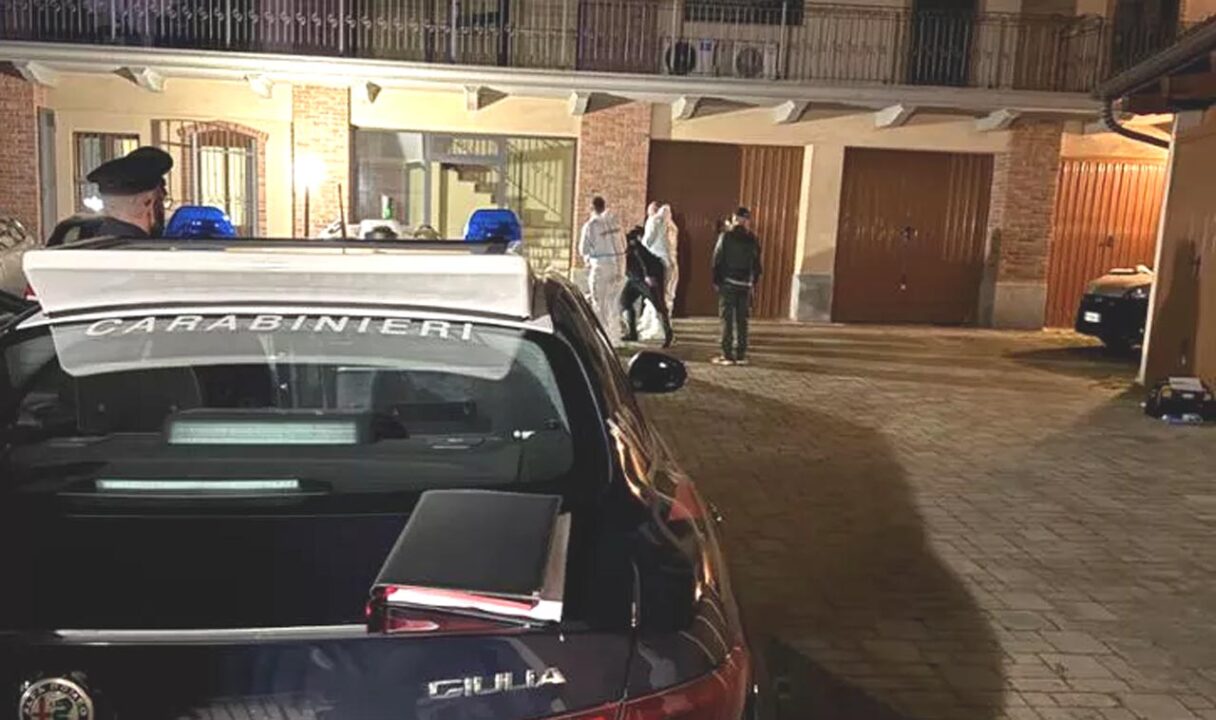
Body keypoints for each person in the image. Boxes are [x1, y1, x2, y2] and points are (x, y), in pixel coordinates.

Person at [47, 146, 173, 245]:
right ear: (148, 202)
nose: (162, 209)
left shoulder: (81, 244)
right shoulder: (150, 254)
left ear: (107, 204)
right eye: (161, 201)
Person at [712, 207, 762, 366]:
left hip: (728, 283)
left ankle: (727, 354)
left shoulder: (726, 237)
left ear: (735, 220)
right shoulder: (753, 239)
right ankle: (741, 355)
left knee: (727, 319)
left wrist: (716, 281)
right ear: (747, 221)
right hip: (745, 285)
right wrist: (753, 283)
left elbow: (717, 260)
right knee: (742, 320)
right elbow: (757, 264)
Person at [579, 196, 627, 345]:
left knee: (600, 304)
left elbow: (583, 249)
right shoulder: (615, 222)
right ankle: (615, 337)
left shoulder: (591, 225)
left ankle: (602, 340)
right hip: (620, 266)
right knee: (614, 303)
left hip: (601, 268)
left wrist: (590, 257)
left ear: (591, 208)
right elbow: (624, 244)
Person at [620, 225, 673, 347]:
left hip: (646, 279)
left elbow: (642, 258)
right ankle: (632, 333)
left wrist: (648, 275)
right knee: (625, 301)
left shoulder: (633, 245)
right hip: (634, 279)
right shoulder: (622, 243)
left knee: (658, 305)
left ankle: (668, 334)